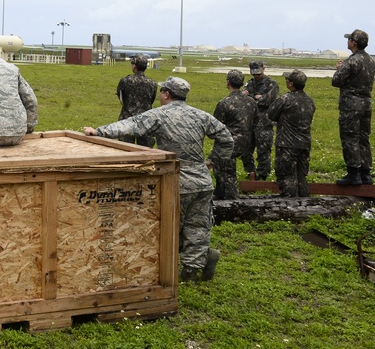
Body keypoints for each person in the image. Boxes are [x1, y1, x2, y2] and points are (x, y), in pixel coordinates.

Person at [84, 76, 233, 282]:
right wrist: (212, 162)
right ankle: (193, 269)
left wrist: (98, 131)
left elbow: (130, 125)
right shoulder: (201, 115)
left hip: (176, 181)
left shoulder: (159, 115)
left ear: (166, 94)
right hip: (202, 181)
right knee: (198, 226)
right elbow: (226, 137)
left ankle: (194, 261)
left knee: (170, 227)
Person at [331, 29, 375, 185]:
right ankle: (366, 173)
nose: (348, 41)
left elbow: (336, 81)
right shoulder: (372, 61)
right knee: (363, 139)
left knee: (350, 138)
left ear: (354, 43)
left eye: (349, 39)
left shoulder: (352, 61)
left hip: (351, 105)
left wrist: (339, 69)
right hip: (366, 104)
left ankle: (353, 173)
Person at [267, 70, 315, 198]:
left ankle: (290, 207)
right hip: (304, 144)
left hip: (286, 144)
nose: (286, 81)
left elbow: (271, 114)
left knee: (286, 177)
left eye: (287, 80)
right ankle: (305, 204)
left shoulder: (285, 99)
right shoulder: (310, 101)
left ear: (291, 84)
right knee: (301, 177)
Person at [211, 70, 256, 200]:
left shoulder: (224, 103)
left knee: (225, 173)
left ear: (228, 82)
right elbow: (256, 121)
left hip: (229, 143)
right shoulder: (251, 102)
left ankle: (231, 201)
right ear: (242, 83)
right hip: (247, 142)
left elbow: (216, 126)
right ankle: (221, 194)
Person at [242, 60, 278, 180]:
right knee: (246, 150)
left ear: (263, 69)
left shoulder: (271, 84)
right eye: (254, 72)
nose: (256, 75)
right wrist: (255, 97)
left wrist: (250, 96)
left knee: (263, 151)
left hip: (265, 123)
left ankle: (263, 176)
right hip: (250, 123)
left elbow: (266, 101)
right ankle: (250, 173)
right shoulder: (249, 83)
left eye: (258, 72)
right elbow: (242, 98)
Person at [114, 53, 158, 147]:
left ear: (134, 66)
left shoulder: (125, 81)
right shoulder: (152, 83)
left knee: (125, 149)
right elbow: (152, 100)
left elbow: (121, 97)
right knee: (145, 151)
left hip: (127, 119)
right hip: (146, 120)